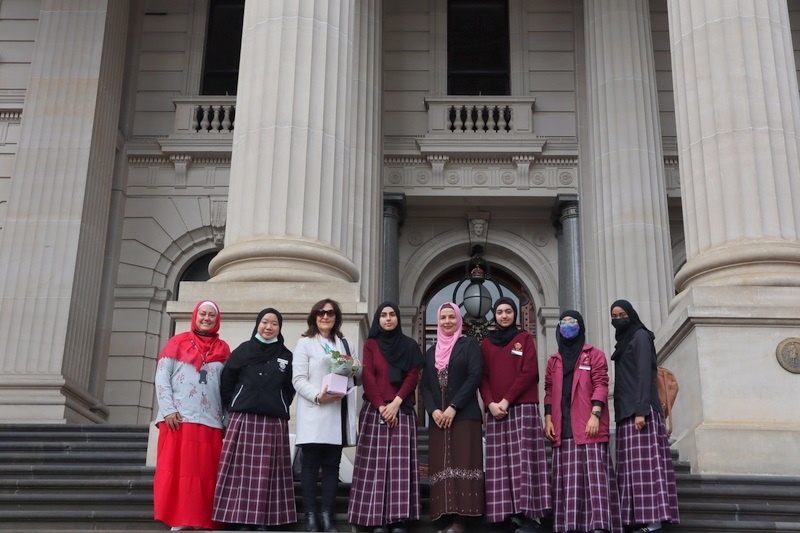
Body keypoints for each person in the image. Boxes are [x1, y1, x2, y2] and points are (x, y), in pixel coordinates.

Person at [213, 308, 296, 531]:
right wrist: (235, 403)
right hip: (244, 417)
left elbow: (289, 388)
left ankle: (266, 521)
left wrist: (278, 402)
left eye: (274, 324)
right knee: (241, 472)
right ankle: (240, 520)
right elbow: (227, 381)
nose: (269, 327)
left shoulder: (286, 355)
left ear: (280, 328)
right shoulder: (243, 351)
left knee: (269, 472)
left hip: (273, 420)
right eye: (265, 322)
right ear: (257, 324)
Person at [153, 300, 231, 531]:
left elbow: (226, 387)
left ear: (217, 320)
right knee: (178, 470)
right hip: (179, 418)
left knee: (205, 474)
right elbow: (161, 378)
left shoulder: (224, 349)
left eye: (211, 315)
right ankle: (178, 518)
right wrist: (168, 409)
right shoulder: (176, 343)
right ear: (195, 316)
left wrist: (226, 418)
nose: (206, 318)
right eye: (203, 314)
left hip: (210, 420)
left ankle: (202, 519)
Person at [543, 310, 621, 533]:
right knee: (569, 479)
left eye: (573, 321)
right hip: (562, 422)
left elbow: (601, 384)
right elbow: (548, 389)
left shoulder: (594, 354)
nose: (568, 325)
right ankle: (570, 526)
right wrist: (548, 417)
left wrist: (595, 414)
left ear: (581, 326)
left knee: (594, 477)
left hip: (588, 421)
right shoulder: (553, 361)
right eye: (564, 322)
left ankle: (599, 526)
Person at [348, 302, 423, 533]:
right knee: (375, 466)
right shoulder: (371, 344)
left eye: (392, 315)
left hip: (401, 410)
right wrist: (382, 407)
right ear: (378, 320)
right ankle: (376, 519)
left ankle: (397, 519)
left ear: (398, 318)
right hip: (375, 409)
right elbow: (368, 376)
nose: (388, 319)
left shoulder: (409, 345)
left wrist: (397, 403)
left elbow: (413, 376)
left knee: (399, 467)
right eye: (383, 315)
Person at [479, 297, 551, 533]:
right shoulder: (486, 345)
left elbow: (529, 372)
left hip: (522, 407)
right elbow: (484, 377)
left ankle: (531, 515)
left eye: (508, 311)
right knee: (501, 464)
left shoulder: (524, 339)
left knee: (525, 462)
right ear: (494, 315)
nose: (504, 316)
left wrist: (506, 400)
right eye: (499, 312)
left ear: (515, 314)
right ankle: (506, 514)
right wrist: (490, 403)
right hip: (497, 412)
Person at [609, 300, 679, 532]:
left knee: (648, 469)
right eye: (614, 315)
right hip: (626, 413)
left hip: (641, 413)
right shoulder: (625, 340)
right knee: (632, 470)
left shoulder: (640, 336)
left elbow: (643, 374)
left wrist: (641, 411)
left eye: (622, 314)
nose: (618, 319)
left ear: (631, 315)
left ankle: (654, 522)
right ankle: (638, 519)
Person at [293, 299, 359, 533]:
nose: (325, 316)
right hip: (315, 410)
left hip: (337, 413)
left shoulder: (346, 344)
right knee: (310, 467)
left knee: (332, 467)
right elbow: (298, 379)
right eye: (321, 312)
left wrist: (355, 368)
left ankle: (327, 515)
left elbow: (353, 376)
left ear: (336, 317)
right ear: (314, 316)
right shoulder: (305, 344)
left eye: (330, 313)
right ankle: (311, 516)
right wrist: (318, 396)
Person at [420, 302, 484, 533]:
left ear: (459, 319)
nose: (447, 321)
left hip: (464, 415)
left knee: (462, 462)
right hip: (438, 419)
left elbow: (474, 376)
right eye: (443, 318)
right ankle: (445, 517)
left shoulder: (469, 345)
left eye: (451, 317)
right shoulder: (431, 351)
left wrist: (453, 406)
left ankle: (462, 520)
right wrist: (434, 410)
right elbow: (425, 385)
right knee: (443, 465)